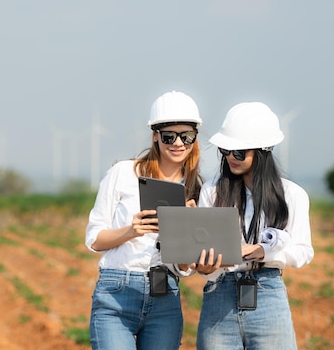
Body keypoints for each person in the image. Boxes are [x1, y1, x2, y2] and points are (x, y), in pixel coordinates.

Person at [85, 90, 204, 350]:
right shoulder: (123, 173)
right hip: (117, 292)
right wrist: (131, 231)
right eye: (169, 136)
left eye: (187, 136)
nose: (178, 143)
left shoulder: (197, 189)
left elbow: (185, 266)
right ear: (155, 136)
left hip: (166, 294)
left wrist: (183, 231)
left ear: (195, 138)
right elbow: (94, 239)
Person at [191, 101, 314, 350]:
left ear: (263, 150)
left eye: (238, 152)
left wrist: (262, 251)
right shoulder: (212, 190)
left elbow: (303, 251)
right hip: (219, 292)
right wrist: (205, 268)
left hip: (268, 291)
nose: (230, 158)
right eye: (225, 150)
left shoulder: (292, 195)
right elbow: (205, 256)